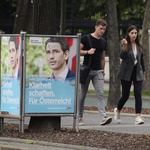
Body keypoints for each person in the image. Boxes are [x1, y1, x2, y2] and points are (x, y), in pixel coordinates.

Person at [78, 19, 112, 125]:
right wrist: (88, 52)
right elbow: (77, 51)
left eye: (104, 29)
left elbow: (102, 58)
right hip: (87, 70)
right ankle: (79, 117)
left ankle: (103, 117)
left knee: (100, 94)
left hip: (98, 71)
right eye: (101, 29)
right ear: (96, 27)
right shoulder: (86, 38)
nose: (102, 31)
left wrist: (103, 72)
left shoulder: (103, 42)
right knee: (83, 94)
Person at [114, 25, 146, 125]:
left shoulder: (139, 45)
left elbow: (142, 60)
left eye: (135, 33)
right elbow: (121, 56)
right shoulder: (124, 43)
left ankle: (138, 117)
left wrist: (144, 73)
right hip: (126, 72)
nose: (134, 35)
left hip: (137, 71)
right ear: (128, 34)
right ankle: (118, 111)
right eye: (132, 33)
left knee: (138, 94)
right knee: (125, 95)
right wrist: (124, 45)